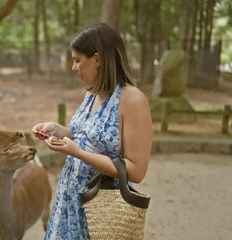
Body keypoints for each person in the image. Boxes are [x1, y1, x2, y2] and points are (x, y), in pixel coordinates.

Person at [32, 22, 153, 239]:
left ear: (97, 59)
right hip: (68, 203)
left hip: (102, 208)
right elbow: (86, 138)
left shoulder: (133, 100)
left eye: (77, 60)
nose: (73, 67)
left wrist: (77, 152)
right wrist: (58, 131)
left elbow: (136, 171)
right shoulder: (91, 94)